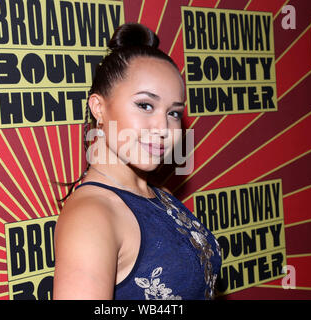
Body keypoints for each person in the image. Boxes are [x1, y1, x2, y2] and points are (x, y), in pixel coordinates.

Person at [53, 23, 221, 300]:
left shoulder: (160, 195)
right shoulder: (92, 216)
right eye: (145, 105)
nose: (163, 127)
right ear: (99, 108)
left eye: (174, 113)